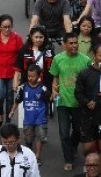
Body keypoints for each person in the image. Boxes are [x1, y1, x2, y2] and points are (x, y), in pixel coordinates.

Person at [50, 32, 91, 171]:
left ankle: (73, 146)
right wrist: (54, 90)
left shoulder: (85, 60)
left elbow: (89, 81)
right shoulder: (58, 59)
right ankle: (68, 159)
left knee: (78, 130)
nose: (74, 45)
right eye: (71, 43)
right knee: (63, 132)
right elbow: (55, 77)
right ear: (65, 45)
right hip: (62, 102)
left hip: (79, 103)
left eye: (75, 43)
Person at [0, 14, 23, 127]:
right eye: (4, 27)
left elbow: (22, 57)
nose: (7, 29)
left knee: (10, 97)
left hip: (12, 73)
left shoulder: (17, 38)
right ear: (0, 27)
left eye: (9, 27)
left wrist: (20, 74)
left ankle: (8, 121)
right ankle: (0, 113)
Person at [9, 64, 50, 165]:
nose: (30, 78)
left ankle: (37, 156)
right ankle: (29, 154)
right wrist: (12, 111)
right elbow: (17, 100)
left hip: (40, 118)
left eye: (33, 76)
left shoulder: (43, 89)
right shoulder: (24, 88)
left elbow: (49, 100)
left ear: (39, 76)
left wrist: (54, 97)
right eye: (28, 76)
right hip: (28, 119)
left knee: (40, 137)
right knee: (28, 138)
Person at [13, 25, 54, 118]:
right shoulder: (24, 50)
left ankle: (41, 129)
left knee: (42, 112)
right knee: (26, 112)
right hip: (27, 85)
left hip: (43, 86)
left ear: (45, 38)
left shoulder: (49, 50)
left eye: (41, 37)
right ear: (31, 37)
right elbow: (18, 68)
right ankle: (27, 130)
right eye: (36, 37)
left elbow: (53, 69)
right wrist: (15, 82)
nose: (38, 40)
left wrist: (54, 87)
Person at [75, 45, 101, 156]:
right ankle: (90, 168)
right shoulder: (84, 73)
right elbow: (78, 93)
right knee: (88, 149)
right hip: (89, 116)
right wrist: (87, 102)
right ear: (94, 56)